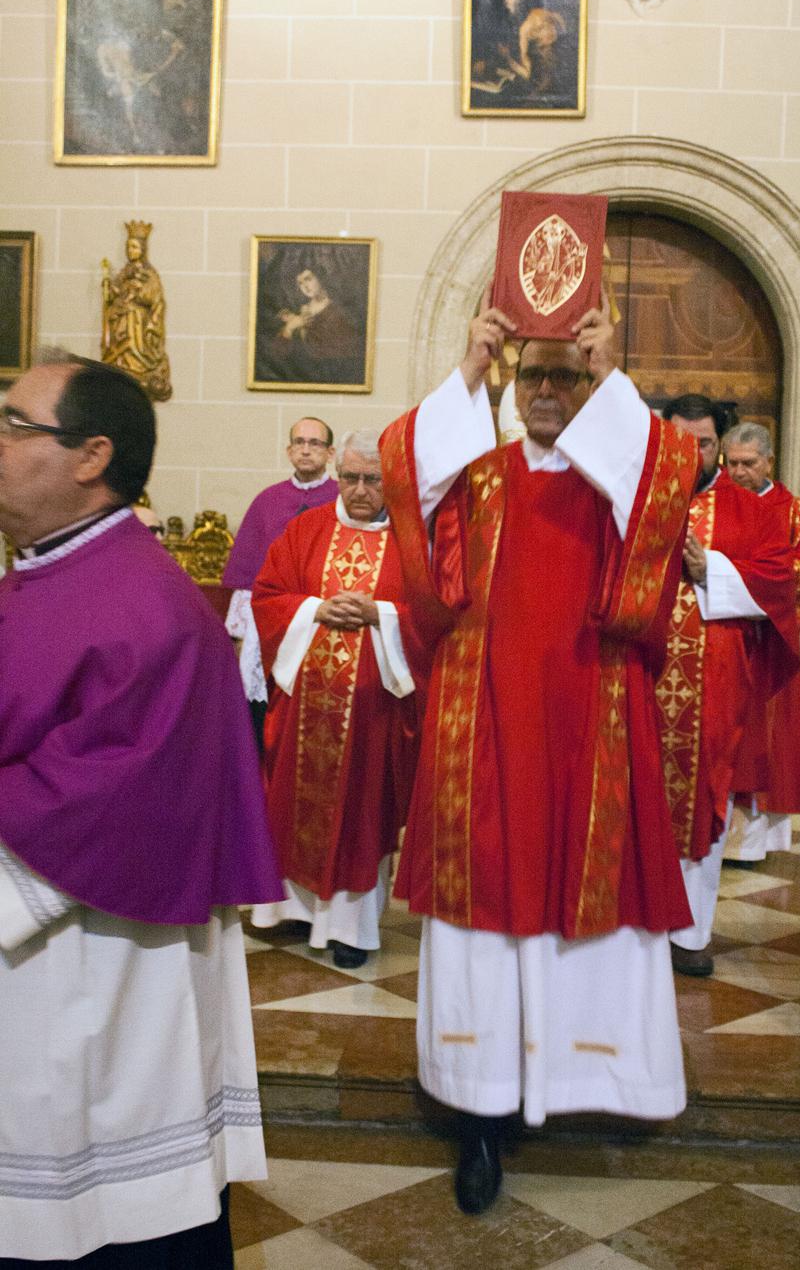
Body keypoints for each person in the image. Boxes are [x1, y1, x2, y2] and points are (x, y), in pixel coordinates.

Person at [380, 293, 698, 1215]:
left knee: (586, 893)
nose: (548, 391)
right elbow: (406, 482)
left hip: (592, 715)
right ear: (515, 386)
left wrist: (612, 374)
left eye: (566, 375)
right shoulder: (477, 474)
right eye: (534, 375)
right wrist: (470, 368)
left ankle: (581, 1078)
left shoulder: (614, 478)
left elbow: (667, 481)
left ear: (588, 386)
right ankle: (480, 1109)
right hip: (480, 719)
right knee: (484, 900)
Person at [0, 353, 282, 1265]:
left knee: (98, 1220)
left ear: (91, 456)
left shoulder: (147, 608)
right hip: (57, 972)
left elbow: (101, 803)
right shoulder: (48, 572)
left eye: (14, 424)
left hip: (98, 969)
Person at [250, 429, 421, 970]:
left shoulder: (413, 540)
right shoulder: (306, 529)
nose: (360, 490)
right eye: (350, 477)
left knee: (360, 815)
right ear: (337, 475)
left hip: (374, 713)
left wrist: (380, 614)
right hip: (305, 705)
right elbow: (268, 594)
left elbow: (434, 616)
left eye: (372, 479)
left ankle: (350, 928)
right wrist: (315, 610)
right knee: (292, 801)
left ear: (392, 483)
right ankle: (292, 912)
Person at [657, 395, 800, 978]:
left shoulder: (747, 509)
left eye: (704, 444)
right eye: (680, 442)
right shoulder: (636, 498)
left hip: (711, 683)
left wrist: (708, 569)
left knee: (700, 799)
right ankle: (626, 932)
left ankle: (687, 933)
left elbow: (779, 583)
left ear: (718, 445)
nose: (692, 454)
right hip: (634, 678)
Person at [722, 421, 800, 860]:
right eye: (732, 463)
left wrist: (751, 585)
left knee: (765, 739)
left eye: (748, 463)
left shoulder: (796, 514)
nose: (738, 472)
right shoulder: (710, 508)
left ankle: (752, 845)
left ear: (769, 461)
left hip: (770, 643)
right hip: (720, 639)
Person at [222, 417, 338, 748]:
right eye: (299, 442)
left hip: (324, 621)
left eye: (315, 443)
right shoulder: (267, 501)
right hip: (271, 621)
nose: (306, 450)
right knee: (267, 713)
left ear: (330, 453)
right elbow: (248, 576)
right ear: (289, 451)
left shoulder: (343, 499)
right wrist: (240, 634)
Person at [100, 219, 172, 402]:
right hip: (121, 317)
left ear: (142, 249)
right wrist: (109, 287)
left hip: (137, 319)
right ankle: (122, 366)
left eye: (134, 247)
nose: (130, 251)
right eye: (128, 247)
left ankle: (138, 367)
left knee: (134, 342)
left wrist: (137, 292)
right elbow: (115, 294)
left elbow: (155, 298)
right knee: (121, 346)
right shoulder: (124, 272)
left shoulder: (150, 274)